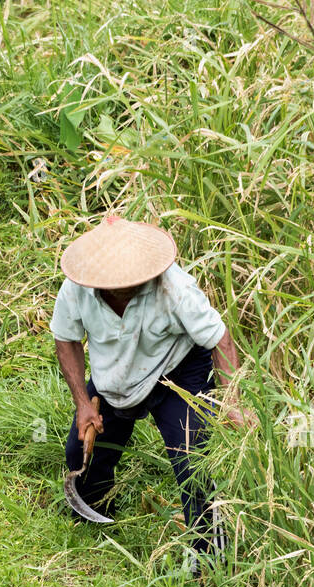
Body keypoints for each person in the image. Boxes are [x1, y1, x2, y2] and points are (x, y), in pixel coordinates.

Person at [52, 215, 246, 568]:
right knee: (80, 451)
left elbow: (219, 338)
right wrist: (83, 402)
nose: (126, 285)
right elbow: (65, 339)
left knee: (193, 461)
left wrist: (231, 403)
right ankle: (92, 518)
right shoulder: (77, 288)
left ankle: (209, 558)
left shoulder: (174, 287)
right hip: (115, 378)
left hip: (178, 373)